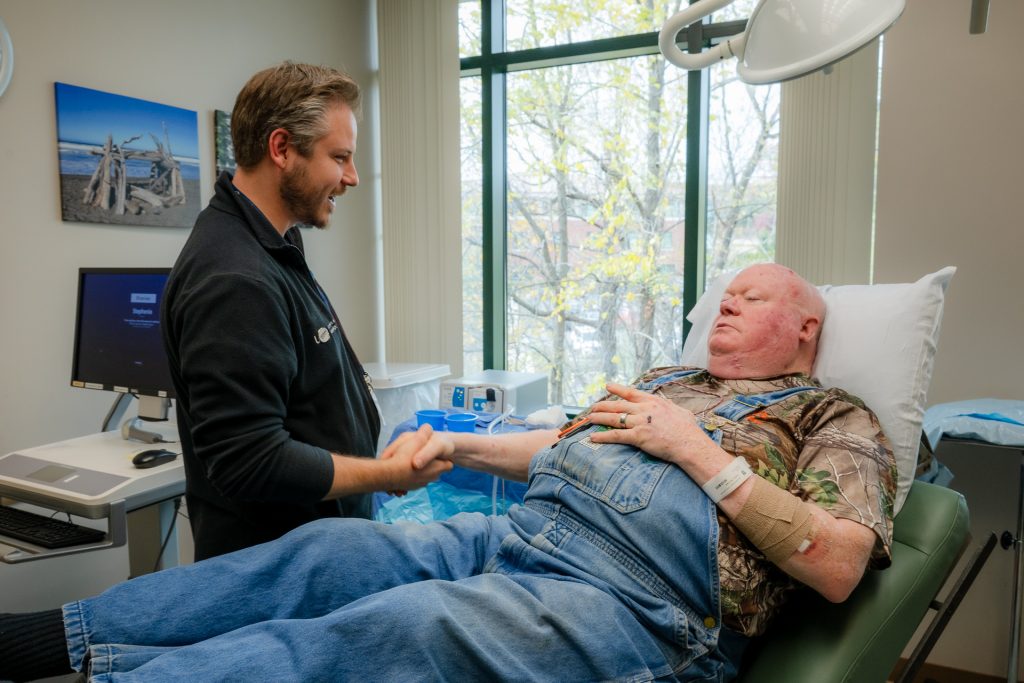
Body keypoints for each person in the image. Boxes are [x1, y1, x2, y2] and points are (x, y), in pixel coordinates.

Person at [0, 264, 895, 682]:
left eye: (753, 296)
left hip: (643, 605)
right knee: (321, 556)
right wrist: (449, 448)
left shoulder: (832, 417)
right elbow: (560, 453)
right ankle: (50, 638)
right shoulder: (668, 380)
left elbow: (840, 558)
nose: (727, 305)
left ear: (807, 327)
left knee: (400, 624)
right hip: (520, 535)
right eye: (724, 296)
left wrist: (693, 448)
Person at [160, 62, 451, 560]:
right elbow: (250, 460)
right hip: (278, 575)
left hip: (316, 550)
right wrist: (386, 474)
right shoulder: (235, 278)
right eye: (340, 157)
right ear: (281, 149)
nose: (353, 178)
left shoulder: (272, 244)